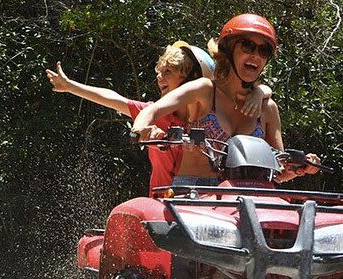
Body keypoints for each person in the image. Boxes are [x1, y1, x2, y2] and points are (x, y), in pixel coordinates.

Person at [46, 41, 272, 195]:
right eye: (159, 72)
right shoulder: (158, 114)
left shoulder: (209, 113)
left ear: (191, 78)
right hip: (166, 200)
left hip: (207, 197)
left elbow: (244, 95)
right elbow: (114, 99)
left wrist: (262, 91)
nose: (159, 78)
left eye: (168, 72)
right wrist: (71, 87)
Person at [131, 14, 321, 186]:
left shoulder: (267, 108)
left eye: (264, 51)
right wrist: (141, 130)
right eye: (248, 46)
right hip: (194, 194)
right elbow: (152, 111)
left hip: (246, 198)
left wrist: (300, 168)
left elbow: (278, 171)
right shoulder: (204, 90)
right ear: (229, 50)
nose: (256, 55)